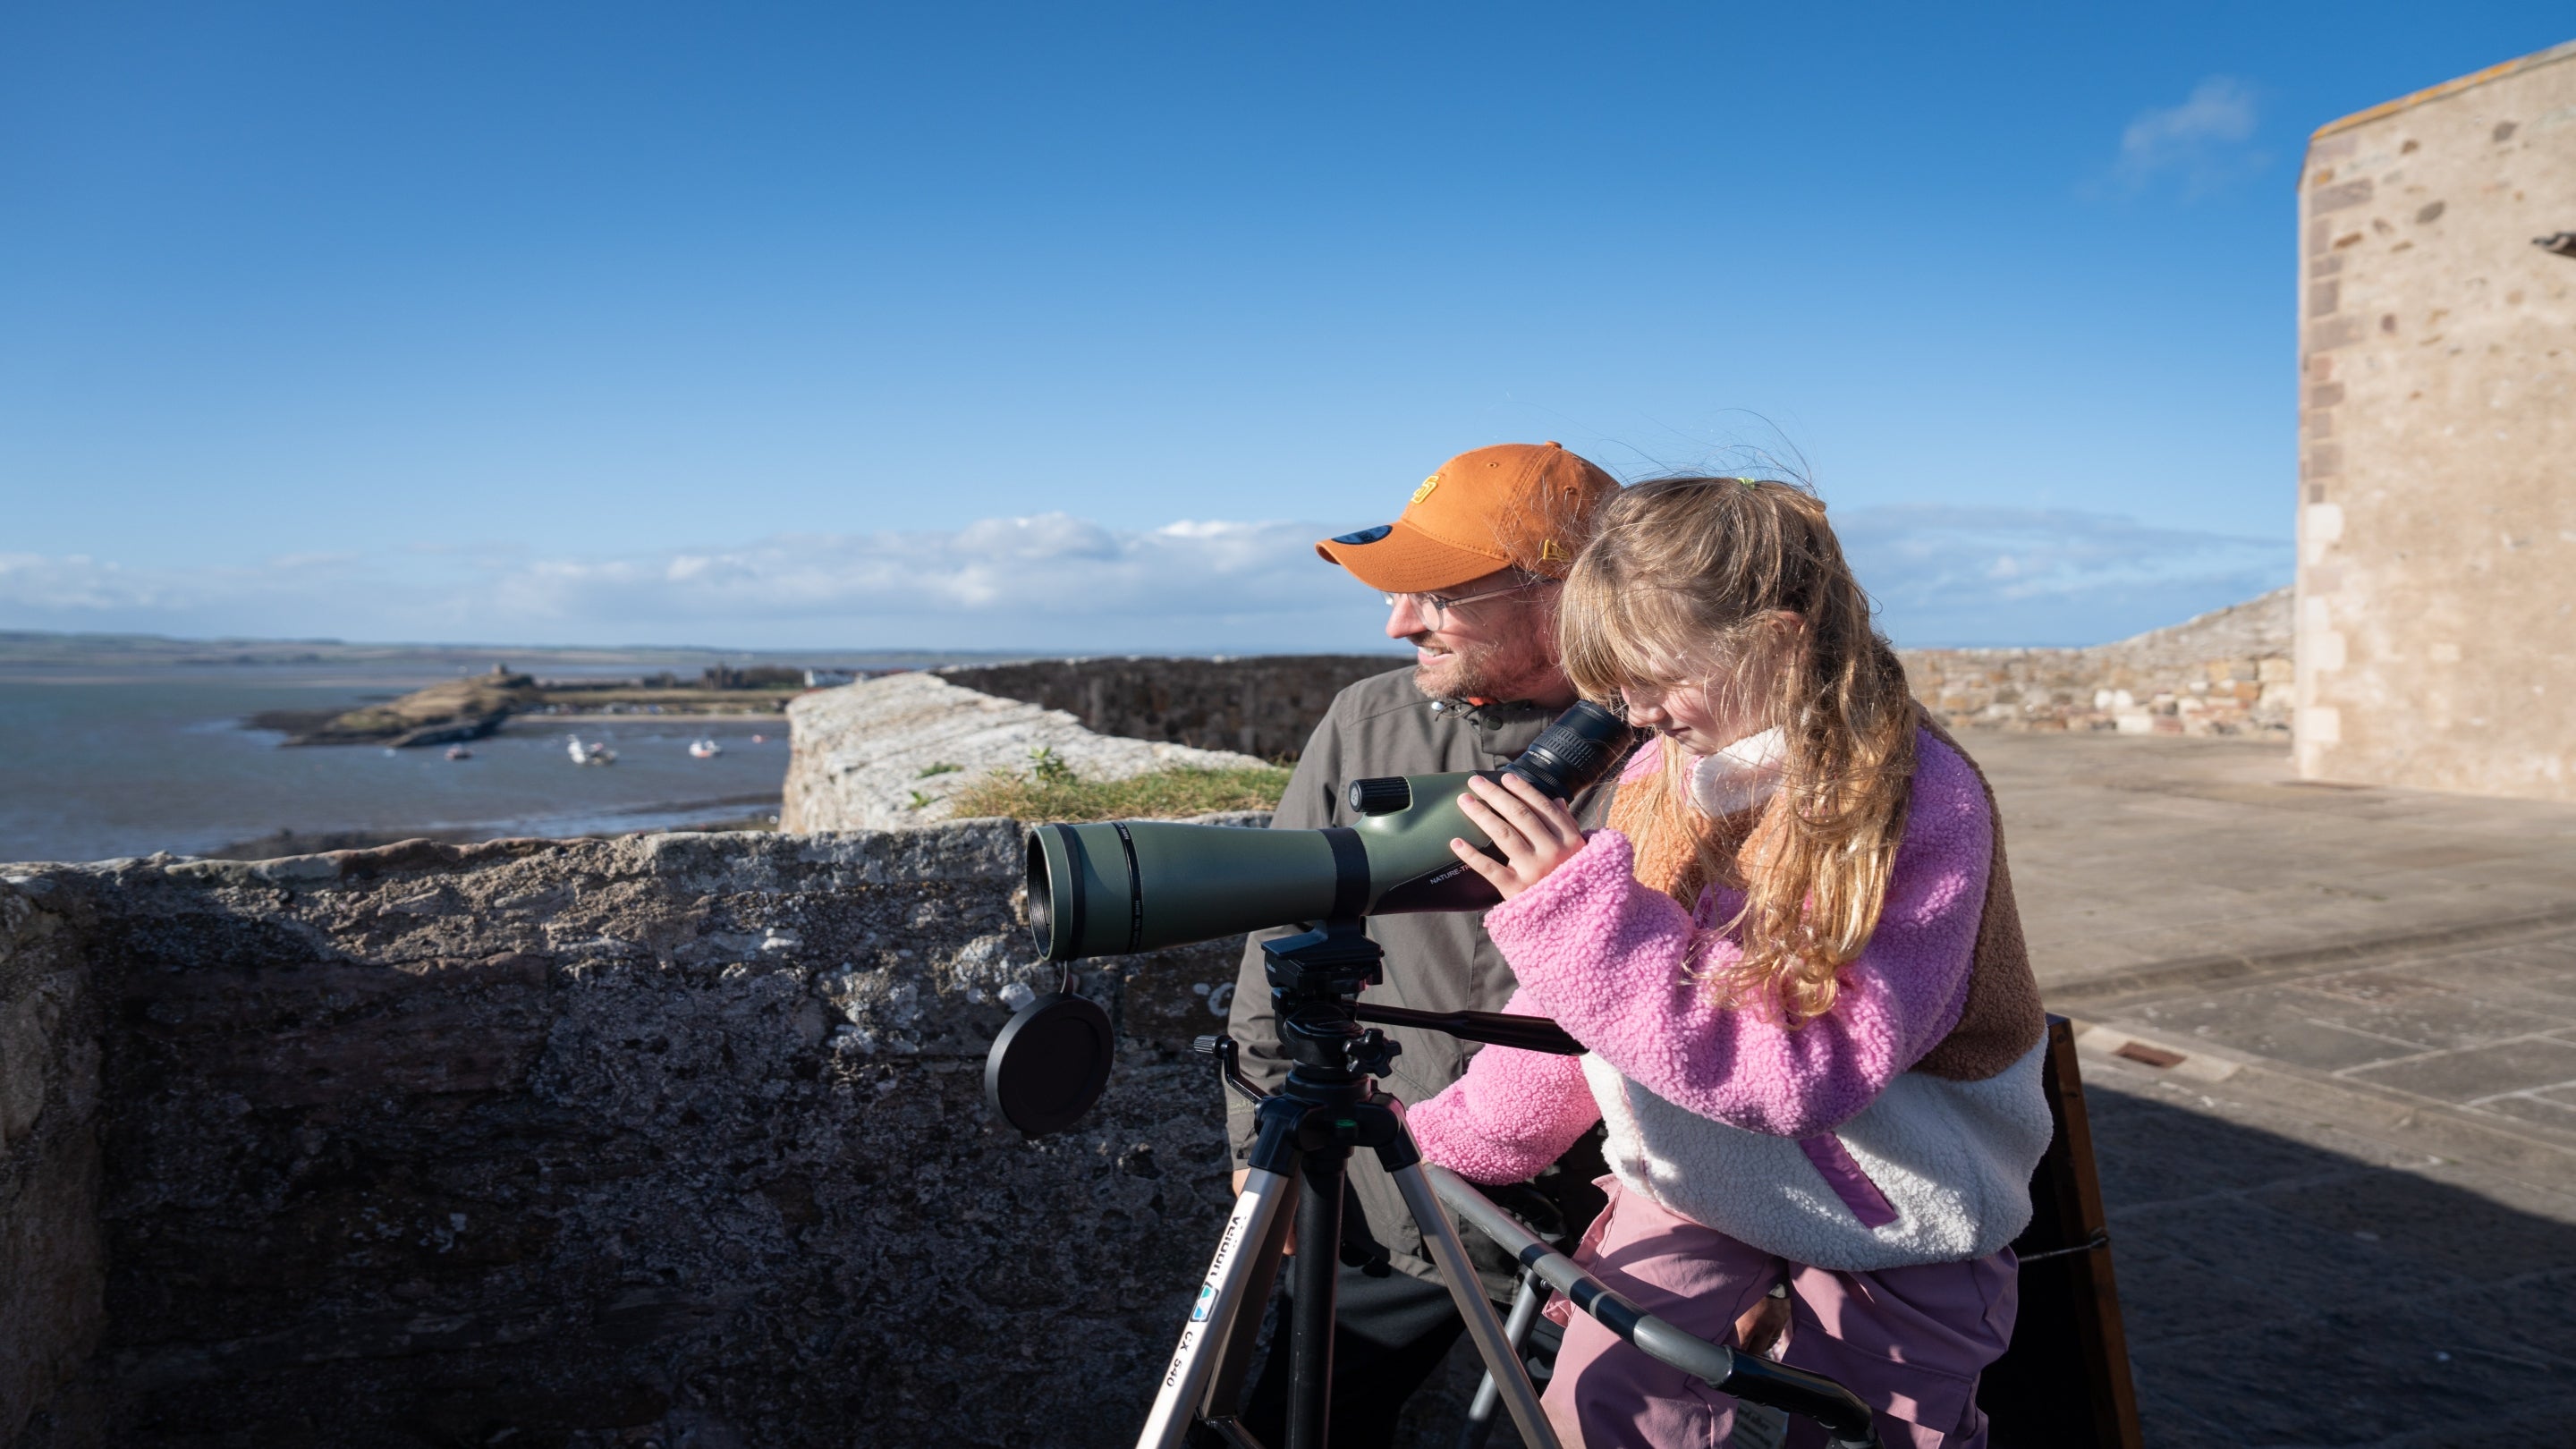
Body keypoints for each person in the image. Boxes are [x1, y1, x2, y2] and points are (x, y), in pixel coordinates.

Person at [1404, 476, 2051, 1449]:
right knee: (1602, 1403)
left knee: (1883, 1431)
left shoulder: (1915, 801)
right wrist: (1452, 1137)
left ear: (1782, 640)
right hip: (1700, 1173)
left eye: (1655, 679)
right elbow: (1585, 1005)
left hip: (1896, 1198)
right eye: (1611, 686)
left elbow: (1807, 1071)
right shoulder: (1659, 776)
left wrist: (1576, 915)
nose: (1634, 712)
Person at [1220, 441, 1626, 1449]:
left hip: (1604, 1231)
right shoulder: (1368, 720)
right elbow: (1284, 939)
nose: (1398, 622)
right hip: (1385, 1206)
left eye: (1437, 593)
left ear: (1566, 591)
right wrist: (1253, 1159)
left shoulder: (1687, 743)